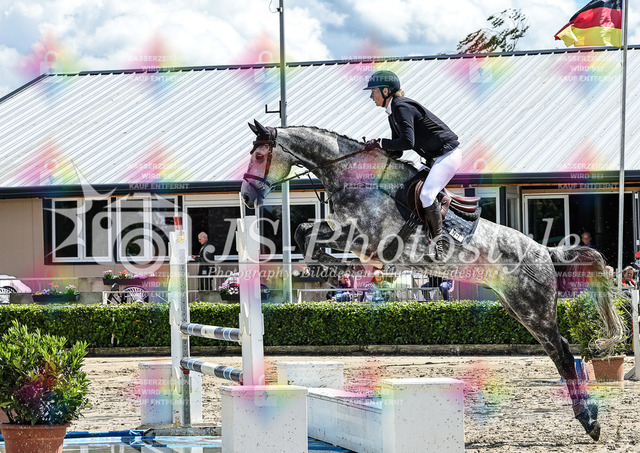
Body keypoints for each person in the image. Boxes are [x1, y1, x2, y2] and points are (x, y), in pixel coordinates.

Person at [362, 70, 461, 261]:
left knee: (426, 195)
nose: (371, 96)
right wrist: (376, 152)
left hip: (448, 155)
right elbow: (398, 150)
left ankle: (438, 245)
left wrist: (380, 142)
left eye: (373, 91)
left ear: (385, 91)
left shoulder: (401, 107)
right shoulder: (393, 112)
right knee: (406, 188)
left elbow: (408, 142)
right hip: (434, 160)